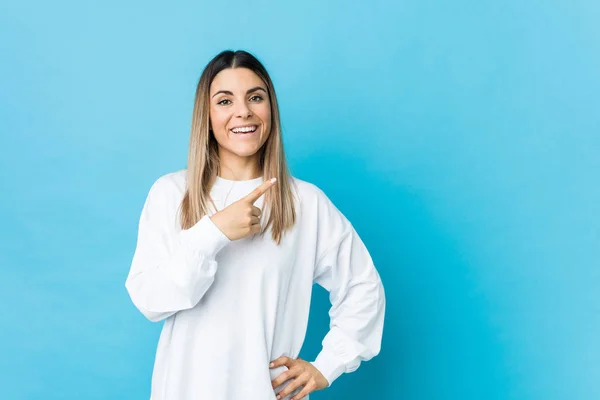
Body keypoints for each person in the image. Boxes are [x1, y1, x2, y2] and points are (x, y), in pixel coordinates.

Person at [124, 49, 386, 400]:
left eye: (255, 97)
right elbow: (150, 299)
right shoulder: (172, 193)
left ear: (270, 110)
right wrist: (211, 233)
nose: (242, 111)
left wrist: (327, 365)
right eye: (224, 101)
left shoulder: (304, 202)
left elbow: (362, 286)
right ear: (207, 115)